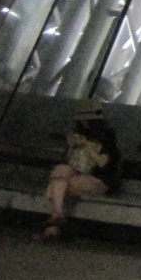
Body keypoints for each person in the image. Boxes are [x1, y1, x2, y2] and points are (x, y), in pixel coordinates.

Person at [33, 99, 123, 241]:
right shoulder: (80, 133)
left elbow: (102, 163)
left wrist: (87, 144)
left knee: (58, 187)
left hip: (102, 179)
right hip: (81, 172)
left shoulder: (107, 139)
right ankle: (57, 216)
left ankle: (53, 226)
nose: (83, 122)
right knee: (60, 172)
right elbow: (72, 161)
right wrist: (72, 146)